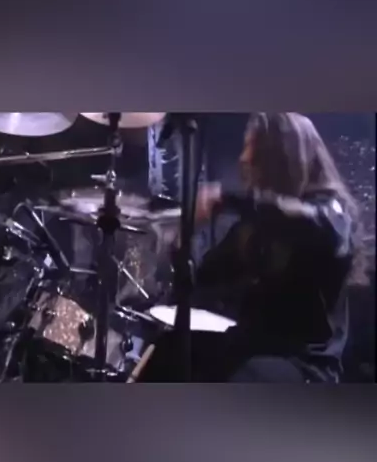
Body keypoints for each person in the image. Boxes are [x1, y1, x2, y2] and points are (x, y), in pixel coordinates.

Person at [139, 112, 368, 383]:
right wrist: (183, 241)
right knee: (167, 352)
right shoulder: (255, 225)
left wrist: (226, 200)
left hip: (303, 363)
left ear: (280, 157)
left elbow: (312, 223)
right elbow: (205, 277)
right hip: (249, 346)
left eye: (253, 148)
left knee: (245, 378)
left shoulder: (332, 210)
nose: (244, 158)